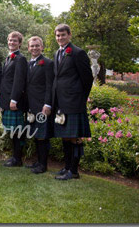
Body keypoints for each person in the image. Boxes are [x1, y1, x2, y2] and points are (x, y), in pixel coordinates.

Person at [52, 24, 93, 180]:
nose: (60, 38)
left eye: (63, 35)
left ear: (69, 35)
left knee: (75, 137)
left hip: (75, 101)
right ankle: (67, 167)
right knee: (65, 136)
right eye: (57, 35)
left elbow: (87, 78)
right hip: (61, 102)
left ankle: (74, 171)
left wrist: (81, 98)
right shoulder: (57, 53)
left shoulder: (78, 53)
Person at [25, 36, 54, 174]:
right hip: (31, 105)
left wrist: (47, 104)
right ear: (28, 47)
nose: (35, 48)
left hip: (42, 106)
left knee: (43, 136)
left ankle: (43, 165)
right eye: (32, 46)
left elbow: (50, 86)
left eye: (37, 45)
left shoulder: (47, 63)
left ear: (42, 47)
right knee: (36, 135)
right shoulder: (28, 63)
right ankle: (38, 161)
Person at [0, 31, 28, 167]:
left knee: (17, 131)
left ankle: (17, 159)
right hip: (6, 100)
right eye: (10, 40)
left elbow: (19, 81)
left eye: (15, 41)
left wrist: (14, 100)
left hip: (13, 101)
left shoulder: (20, 59)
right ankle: (14, 157)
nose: (12, 42)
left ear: (20, 43)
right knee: (11, 131)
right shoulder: (8, 58)